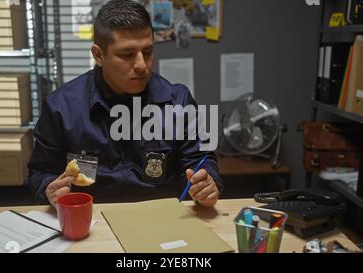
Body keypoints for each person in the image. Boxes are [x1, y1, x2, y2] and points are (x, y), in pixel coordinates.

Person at [27, 0, 222, 208]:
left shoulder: (179, 101)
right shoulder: (61, 107)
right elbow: (40, 172)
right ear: (99, 55)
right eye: (127, 54)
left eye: (147, 52)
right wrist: (48, 188)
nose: (141, 65)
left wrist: (207, 182)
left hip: (160, 219)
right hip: (92, 222)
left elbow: (201, 160)